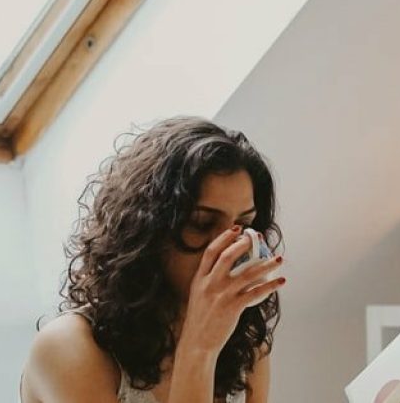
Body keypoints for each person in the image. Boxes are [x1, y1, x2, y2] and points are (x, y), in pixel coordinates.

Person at [19, 117, 286, 403]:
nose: (230, 247)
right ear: (146, 231)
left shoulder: (244, 346)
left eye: (243, 224)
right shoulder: (68, 347)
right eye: (201, 223)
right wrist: (199, 350)